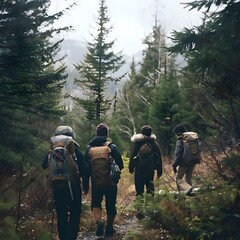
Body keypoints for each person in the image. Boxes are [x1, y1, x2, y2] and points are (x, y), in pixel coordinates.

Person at [42, 126, 88, 240]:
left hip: (57, 187)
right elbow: (85, 170)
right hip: (73, 188)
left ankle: (63, 237)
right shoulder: (75, 150)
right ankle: (71, 237)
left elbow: (43, 165)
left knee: (61, 215)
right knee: (75, 214)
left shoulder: (52, 151)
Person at [83, 122, 124, 238]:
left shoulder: (89, 148)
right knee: (110, 205)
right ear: (106, 134)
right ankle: (109, 228)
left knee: (96, 204)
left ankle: (99, 222)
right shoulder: (111, 147)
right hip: (110, 182)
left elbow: (86, 171)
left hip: (96, 183)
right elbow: (120, 165)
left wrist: (85, 187)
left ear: (96, 133)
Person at [129, 125, 162, 197]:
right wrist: (159, 171)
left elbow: (133, 156)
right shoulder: (154, 144)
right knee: (150, 187)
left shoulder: (137, 143)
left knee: (139, 189)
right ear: (151, 133)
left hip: (139, 168)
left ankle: (140, 206)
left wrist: (131, 168)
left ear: (142, 133)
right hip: (150, 168)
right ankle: (151, 205)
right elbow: (159, 158)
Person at [172, 124, 199, 195]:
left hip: (184, 163)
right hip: (192, 162)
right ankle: (190, 193)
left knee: (178, 179)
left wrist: (175, 164)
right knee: (188, 178)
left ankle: (183, 192)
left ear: (178, 133)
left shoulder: (180, 141)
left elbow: (178, 154)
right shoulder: (192, 139)